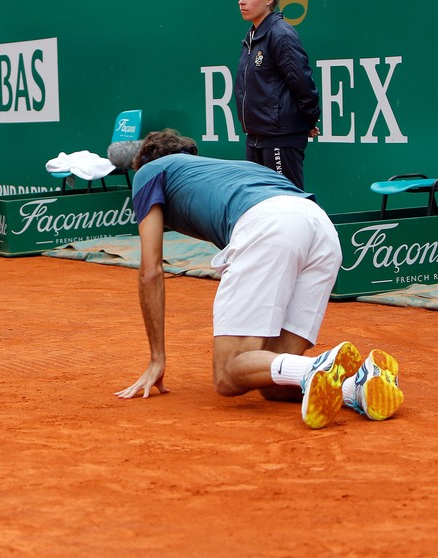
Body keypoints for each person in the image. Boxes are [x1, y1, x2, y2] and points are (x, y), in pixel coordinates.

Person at [115, 129, 404, 429]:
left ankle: (315, 365)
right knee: (274, 382)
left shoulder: (148, 172)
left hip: (269, 226)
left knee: (228, 373)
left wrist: (157, 359)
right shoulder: (231, 169)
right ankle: (358, 385)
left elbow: (151, 270)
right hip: (322, 230)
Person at [235, 0, 320, 190]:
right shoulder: (252, 36)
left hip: (279, 137)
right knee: (261, 206)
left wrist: (309, 119)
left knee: (288, 202)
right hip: (256, 137)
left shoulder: (281, 34)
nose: (241, 1)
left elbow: (302, 82)